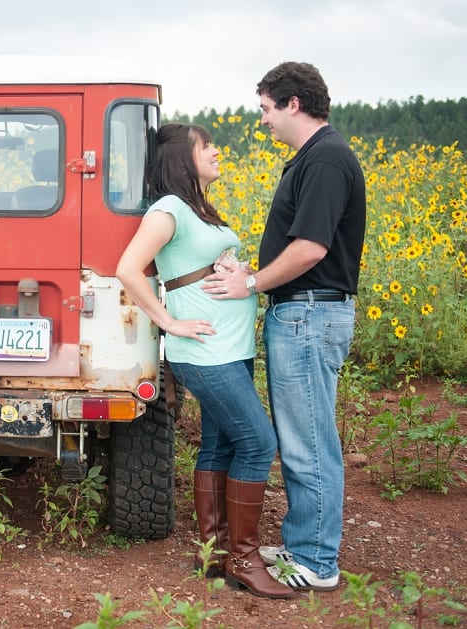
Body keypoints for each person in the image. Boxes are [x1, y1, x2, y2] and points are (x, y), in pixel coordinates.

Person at [205, 62, 366, 592]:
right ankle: (304, 543)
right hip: (304, 310)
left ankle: (317, 560)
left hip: (309, 313)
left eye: (267, 109)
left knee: (307, 441)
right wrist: (253, 271)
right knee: (302, 436)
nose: (265, 121)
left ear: (293, 103)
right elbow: (300, 250)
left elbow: (310, 249)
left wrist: (251, 285)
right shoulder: (313, 159)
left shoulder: (325, 160)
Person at [116, 123, 293, 599]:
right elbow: (128, 269)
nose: (216, 151)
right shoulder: (168, 209)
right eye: (206, 145)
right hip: (206, 351)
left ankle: (213, 554)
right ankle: (245, 559)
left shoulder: (197, 209)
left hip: (232, 348)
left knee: (219, 448)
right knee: (257, 444)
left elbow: (201, 267)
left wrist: (242, 271)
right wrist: (169, 323)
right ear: (182, 158)